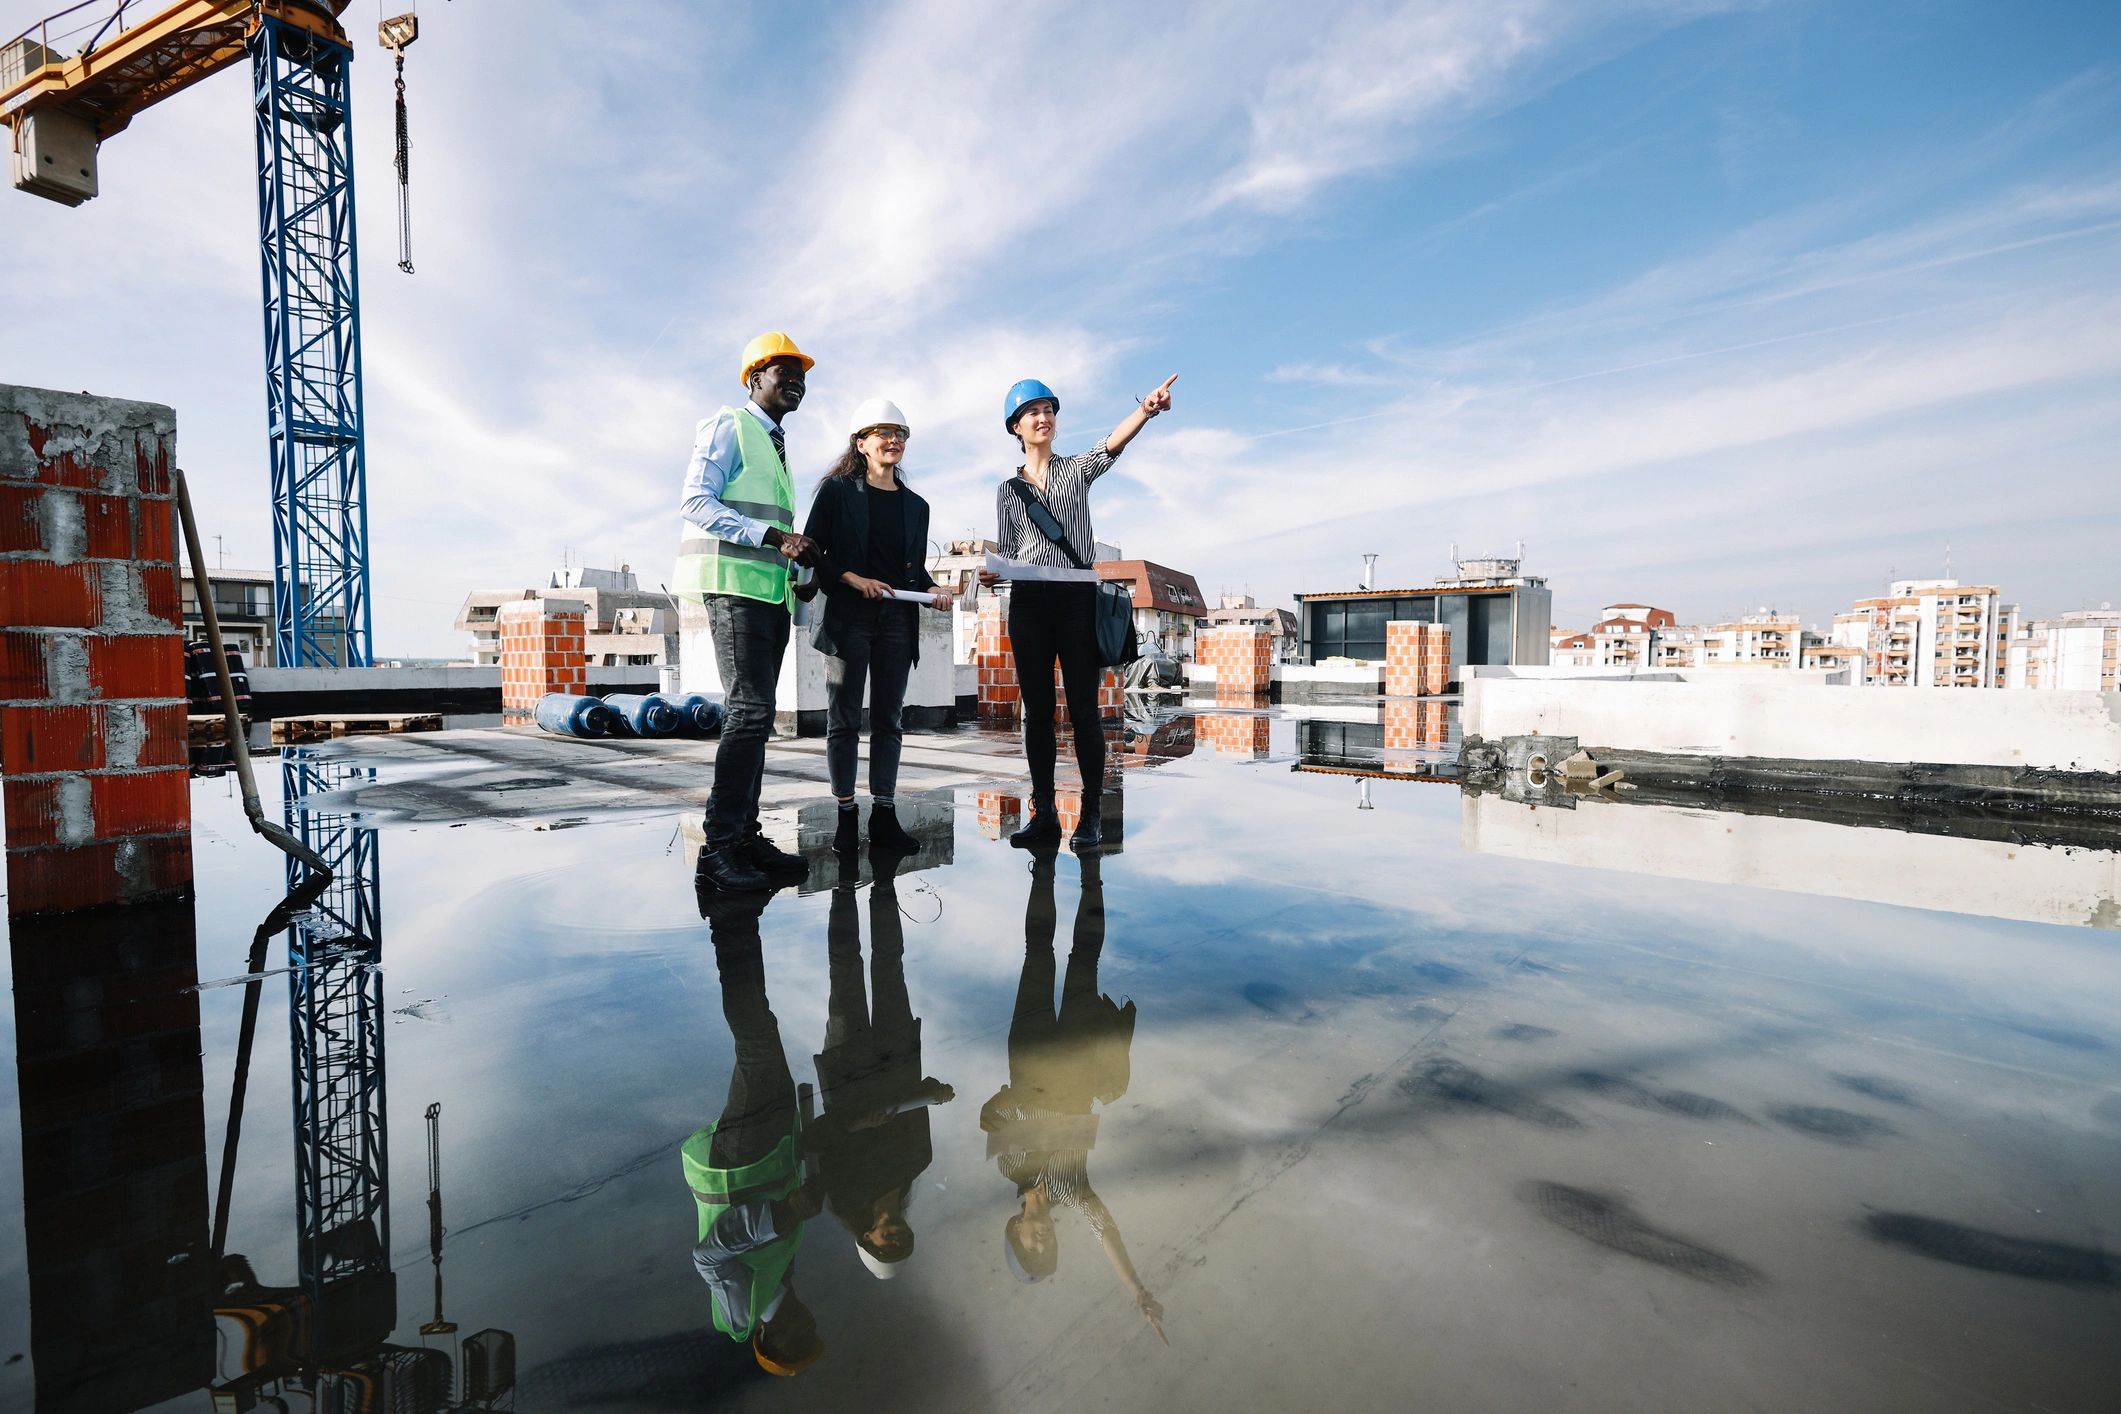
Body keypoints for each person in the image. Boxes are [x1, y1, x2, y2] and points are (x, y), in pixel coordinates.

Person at [983, 374, 1178, 852]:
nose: (1043, 417)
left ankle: (1089, 814)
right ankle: (1044, 815)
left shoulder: (1075, 471)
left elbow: (1111, 445)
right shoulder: (1007, 491)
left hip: (1075, 600)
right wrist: (995, 573)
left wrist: (1146, 410)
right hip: (1029, 603)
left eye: (1049, 410)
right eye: (1032, 412)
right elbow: (1010, 551)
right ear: (1015, 427)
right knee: (1037, 714)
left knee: (1085, 711)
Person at [979, 854, 1164, 1342]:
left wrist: (996, 1106)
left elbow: (998, 1108)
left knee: (1037, 953)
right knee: (1085, 960)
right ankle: (1091, 869)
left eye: (1030, 1249)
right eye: (1048, 1250)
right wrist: (1137, 1289)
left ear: (1015, 1232)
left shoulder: (1007, 1167)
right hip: (1077, 1063)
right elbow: (1107, 1232)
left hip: (1030, 1052)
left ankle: (1042, 866)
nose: (1041, 1243)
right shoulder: (1073, 1191)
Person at [677, 332, 822, 893]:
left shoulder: (775, 444)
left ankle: (744, 836)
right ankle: (718, 848)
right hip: (733, 589)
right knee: (749, 712)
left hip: (769, 595)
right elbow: (696, 501)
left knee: (756, 718)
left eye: (801, 374)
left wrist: (799, 570)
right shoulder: (729, 426)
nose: (796, 382)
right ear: (755, 378)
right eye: (785, 371)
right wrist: (772, 537)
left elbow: (777, 529)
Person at [682, 882, 826, 1377]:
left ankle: (729, 910)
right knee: (761, 1031)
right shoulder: (784, 1275)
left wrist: (785, 1212)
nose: (805, 1328)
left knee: (757, 1040)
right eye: (811, 1336)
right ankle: (738, 913)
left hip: (743, 1161)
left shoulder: (741, 1316)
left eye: (794, 1342)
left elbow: (709, 1259)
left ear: (767, 1338)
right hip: (773, 1151)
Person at [799, 397, 954, 853]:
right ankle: (846, 818)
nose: (893, 440)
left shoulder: (917, 505)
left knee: (889, 719)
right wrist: (852, 578)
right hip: (848, 618)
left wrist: (933, 590)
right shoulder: (836, 491)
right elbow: (812, 550)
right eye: (883, 432)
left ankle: (884, 817)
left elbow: (913, 571)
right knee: (844, 719)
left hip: (896, 621)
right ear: (861, 443)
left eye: (899, 433)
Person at [809, 833, 954, 1280]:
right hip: (896, 1056)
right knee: (890, 963)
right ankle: (885, 882)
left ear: (866, 1238)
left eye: (887, 1247)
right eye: (904, 1244)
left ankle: (843, 884)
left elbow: (812, 1139)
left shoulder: (842, 1194)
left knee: (845, 971)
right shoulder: (917, 1161)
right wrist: (935, 1091)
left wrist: (857, 1125)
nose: (897, 1240)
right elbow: (917, 1097)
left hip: (848, 1067)